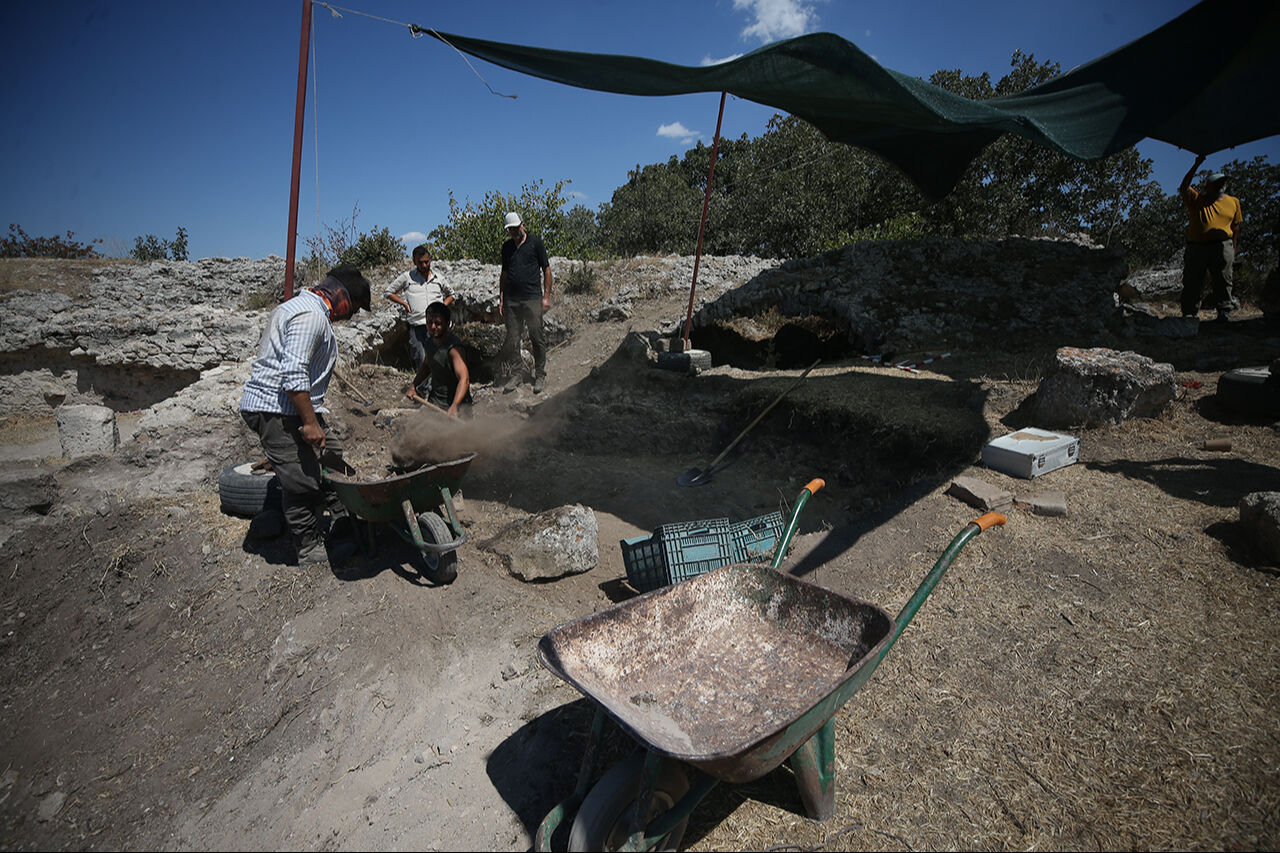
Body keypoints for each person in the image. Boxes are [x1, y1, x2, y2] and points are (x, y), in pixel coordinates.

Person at [239, 264, 372, 568]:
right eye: (351, 310)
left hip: (289, 407)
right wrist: (310, 423)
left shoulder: (300, 308)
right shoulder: (311, 316)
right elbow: (294, 372)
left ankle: (342, 521)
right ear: (341, 296)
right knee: (302, 482)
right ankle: (309, 546)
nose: (348, 317)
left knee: (332, 455)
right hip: (276, 411)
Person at [1179, 154, 1243, 321]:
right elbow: (1184, 186)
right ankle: (1189, 313)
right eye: (1216, 183)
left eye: (1222, 182)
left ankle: (1224, 312)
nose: (1221, 185)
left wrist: (1233, 249)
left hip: (1223, 246)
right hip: (1197, 246)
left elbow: (1235, 227)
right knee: (1193, 280)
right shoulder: (1196, 199)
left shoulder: (1234, 201)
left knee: (1224, 279)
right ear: (1207, 186)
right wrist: (1195, 166)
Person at [384, 244, 454, 394]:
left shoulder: (438, 278)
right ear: (414, 262)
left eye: (427, 261)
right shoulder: (407, 277)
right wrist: (403, 303)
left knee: (440, 358)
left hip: (437, 327)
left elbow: (451, 294)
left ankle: (442, 391)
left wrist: (442, 307)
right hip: (418, 326)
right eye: (421, 262)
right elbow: (388, 292)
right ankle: (422, 393)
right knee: (421, 358)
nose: (424, 265)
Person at [497, 211, 553, 394]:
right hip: (512, 300)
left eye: (515, 228)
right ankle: (517, 374)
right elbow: (504, 274)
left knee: (537, 336)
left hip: (532, 298)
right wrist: (501, 298)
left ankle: (540, 375)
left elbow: (546, 269)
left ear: (523, 225)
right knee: (513, 338)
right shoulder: (506, 248)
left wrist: (546, 297)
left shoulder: (535, 243)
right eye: (510, 229)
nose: (513, 232)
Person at [406, 301, 473, 417]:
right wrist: (413, 386)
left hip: (456, 408)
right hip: (435, 403)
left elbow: (464, 379)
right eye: (429, 322)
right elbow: (427, 366)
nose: (433, 327)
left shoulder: (454, 349)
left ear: (447, 324)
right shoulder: (429, 342)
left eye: (438, 323)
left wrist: (455, 405)